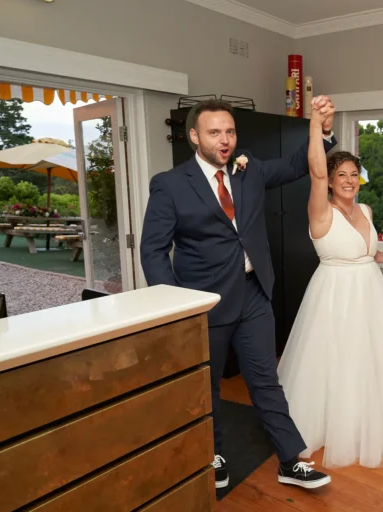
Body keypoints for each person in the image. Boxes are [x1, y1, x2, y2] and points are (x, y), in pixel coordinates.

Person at [140, 97, 336, 490]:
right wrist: (180, 307)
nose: (224, 140)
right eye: (215, 132)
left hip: (253, 296)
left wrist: (322, 129)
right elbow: (153, 251)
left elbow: (298, 164)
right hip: (204, 304)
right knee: (205, 385)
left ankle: (289, 459)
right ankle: (209, 455)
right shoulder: (171, 185)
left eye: (229, 132)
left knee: (266, 381)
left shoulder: (249, 169)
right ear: (194, 135)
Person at [277, 105, 383, 469]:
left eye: (353, 174)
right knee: (337, 359)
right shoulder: (320, 210)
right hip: (335, 296)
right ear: (330, 180)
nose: (348, 180)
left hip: (370, 295)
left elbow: (367, 255)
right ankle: (334, 425)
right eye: (341, 174)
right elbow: (315, 170)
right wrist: (316, 126)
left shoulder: (365, 210)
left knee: (378, 358)